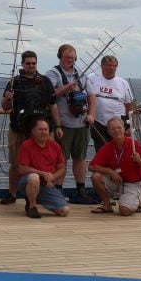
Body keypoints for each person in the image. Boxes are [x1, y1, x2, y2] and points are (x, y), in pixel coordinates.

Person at [0, 51, 59, 205]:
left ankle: (38, 195)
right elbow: (5, 107)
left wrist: (56, 126)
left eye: (33, 63)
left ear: (36, 64)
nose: (31, 66)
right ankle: (12, 194)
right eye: (28, 63)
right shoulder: (15, 82)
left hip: (40, 132)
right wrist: (7, 99)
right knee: (15, 163)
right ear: (23, 64)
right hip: (18, 129)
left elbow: (53, 105)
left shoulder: (45, 81)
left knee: (40, 164)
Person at [47, 44, 96, 204]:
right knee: (62, 159)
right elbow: (50, 94)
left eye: (73, 58)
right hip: (64, 124)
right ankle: (59, 190)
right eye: (67, 57)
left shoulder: (81, 74)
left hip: (82, 123)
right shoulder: (53, 73)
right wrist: (66, 87)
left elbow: (92, 96)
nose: (70, 60)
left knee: (80, 157)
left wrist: (91, 114)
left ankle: (80, 189)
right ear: (60, 57)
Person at [89, 117, 141, 216]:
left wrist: (139, 160)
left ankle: (139, 201)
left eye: (119, 127)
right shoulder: (108, 146)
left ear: (124, 129)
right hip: (118, 181)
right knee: (96, 176)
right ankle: (107, 205)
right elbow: (91, 166)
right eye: (113, 129)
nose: (116, 130)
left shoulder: (135, 144)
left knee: (124, 211)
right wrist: (110, 171)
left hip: (133, 183)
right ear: (108, 132)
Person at [17, 117, 70, 219]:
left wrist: (52, 177)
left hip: (46, 183)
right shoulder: (26, 145)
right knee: (33, 177)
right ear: (33, 131)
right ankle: (32, 207)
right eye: (40, 129)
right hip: (28, 182)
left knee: (64, 211)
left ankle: (36, 198)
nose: (43, 132)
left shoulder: (55, 146)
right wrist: (42, 173)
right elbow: (21, 169)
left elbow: (62, 168)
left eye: (46, 129)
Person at [84, 55, 134, 153]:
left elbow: (129, 105)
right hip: (98, 123)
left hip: (118, 125)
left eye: (114, 66)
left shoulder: (123, 83)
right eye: (109, 65)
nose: (112, 68)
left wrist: (130, 125)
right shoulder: (90, 78)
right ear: (102, 66)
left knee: (119, 151)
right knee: (101, 152)